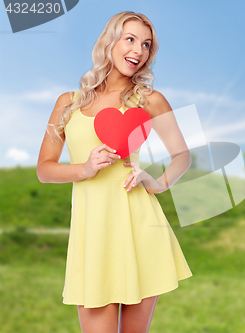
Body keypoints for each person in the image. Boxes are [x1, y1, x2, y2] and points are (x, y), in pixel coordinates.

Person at [36, 11, 193, 333]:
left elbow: (182, 156)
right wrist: (85, 168)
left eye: (146, 45)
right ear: (110, 42)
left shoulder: (150, 100)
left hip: (140, 227)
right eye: (130, 39)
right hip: (93, 234)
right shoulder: (68, 102)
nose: (138, 50)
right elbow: (44, 169)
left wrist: (158, 182)